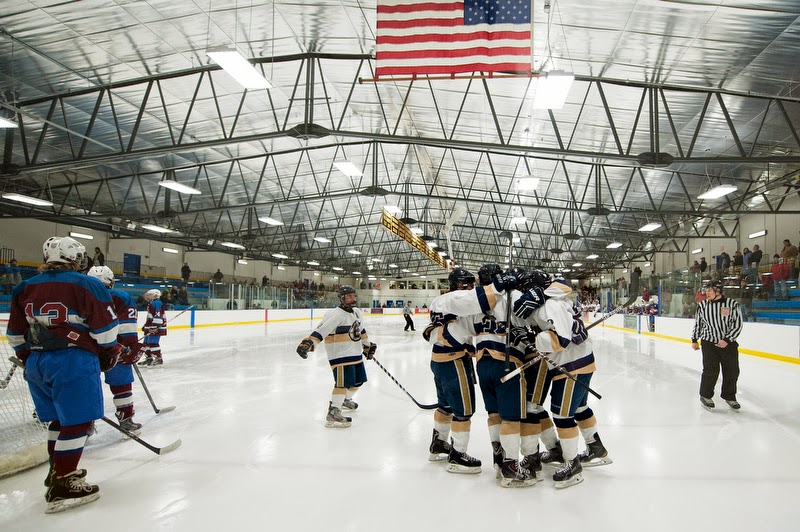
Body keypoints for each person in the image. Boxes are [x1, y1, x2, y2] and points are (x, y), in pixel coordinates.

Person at [5, 236, 127, 513]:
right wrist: (110, 351)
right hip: (73, 359)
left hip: (37, 361)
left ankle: (56, 471)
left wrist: (29, 356)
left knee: (58, 421)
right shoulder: (86, 283)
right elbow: (106, 330)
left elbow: (14, 333)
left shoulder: (24, 286)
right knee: (78, 422)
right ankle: (63, 483)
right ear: (75, 258)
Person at [513, 274, 613, 489]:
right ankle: (596, 448)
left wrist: (533, 338)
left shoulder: (552, 305)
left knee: (562, 414)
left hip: (571, 365)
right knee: (580, 408)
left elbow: (561, 340)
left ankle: (572, 464)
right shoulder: (554, 303)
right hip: (578, 362)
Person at [295, 285, 374, 428]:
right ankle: (334, 411)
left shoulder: (356, 312)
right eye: (348, 296)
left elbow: (360, 330)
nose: (352, 298)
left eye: (353, 295)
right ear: (341, 298)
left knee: (358, 381)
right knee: (342, 384)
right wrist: (308, 343)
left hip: (355, 353)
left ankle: (343, 400)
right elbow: (321, 330)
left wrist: (367, 345)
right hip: (340, 354)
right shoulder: (335, 314)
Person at [86, 266, 145, 434]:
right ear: (111, 281)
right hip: (115, 347)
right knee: (121, 383)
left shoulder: (79, 294)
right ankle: (125, 418)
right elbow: (127, 325)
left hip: (85, 350)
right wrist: (130, 347)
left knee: (87, 386)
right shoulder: (121, 297)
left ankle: (85, 424)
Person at [691, 279, 744, 410]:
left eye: (710, 290)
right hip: (709, 342)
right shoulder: (702, 305)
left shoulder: (732, 304)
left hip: (728, 344)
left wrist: (727, 339)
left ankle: (729, 396)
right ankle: (705, 395)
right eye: (706, 290)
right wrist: (694, 339)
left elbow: (737, 324)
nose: (707, 293)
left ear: (718, 290)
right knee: (710, 370)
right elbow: (699, 323)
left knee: (732, 370)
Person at [138, 289, 167, 366]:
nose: (147, 296)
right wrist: (146, 326)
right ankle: (149, 358)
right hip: (150, 327)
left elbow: (158, 316)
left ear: (155, 295)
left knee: (153, 343)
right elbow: (150, 317)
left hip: (156, 328)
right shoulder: (151, 303)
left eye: (150, 294)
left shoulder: (156, 303)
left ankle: (158, 358)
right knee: (146, 343)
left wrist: (155, 327)